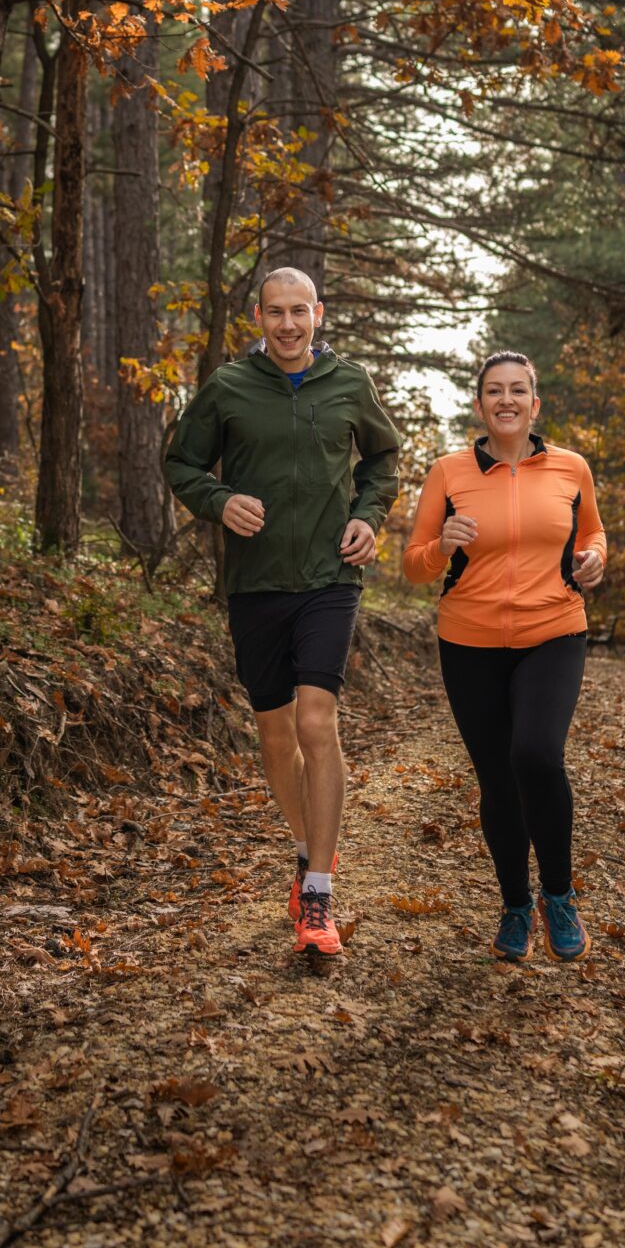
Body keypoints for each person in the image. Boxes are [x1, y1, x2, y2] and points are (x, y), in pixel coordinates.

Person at [164, 268, 400, 957]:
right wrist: (219, 500)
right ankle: (304, 851)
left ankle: (320, 894)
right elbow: (181, 462)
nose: (289, 324)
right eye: (276, 313)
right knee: (274, 736)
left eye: (300, 311)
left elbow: (382, 461)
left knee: (315, 718)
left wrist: (369, 515)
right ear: (259, 318)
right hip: (257, 581)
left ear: (319, 314)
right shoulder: (229, 387)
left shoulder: (350, 384)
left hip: (332, 576)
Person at [402, 351, 606, 963]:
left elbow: (592, 532)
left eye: (519, 390)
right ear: (480, 404)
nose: (507, 400)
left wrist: (596, 559)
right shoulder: (448, 472)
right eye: (495, 391)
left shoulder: (571, 468)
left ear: (535, 404)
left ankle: (559, 895)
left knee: (536, 754)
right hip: (469, 641)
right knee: (496, 776)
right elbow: (413, 565)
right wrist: (442, 544)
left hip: (555, 631)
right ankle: (516, 904)